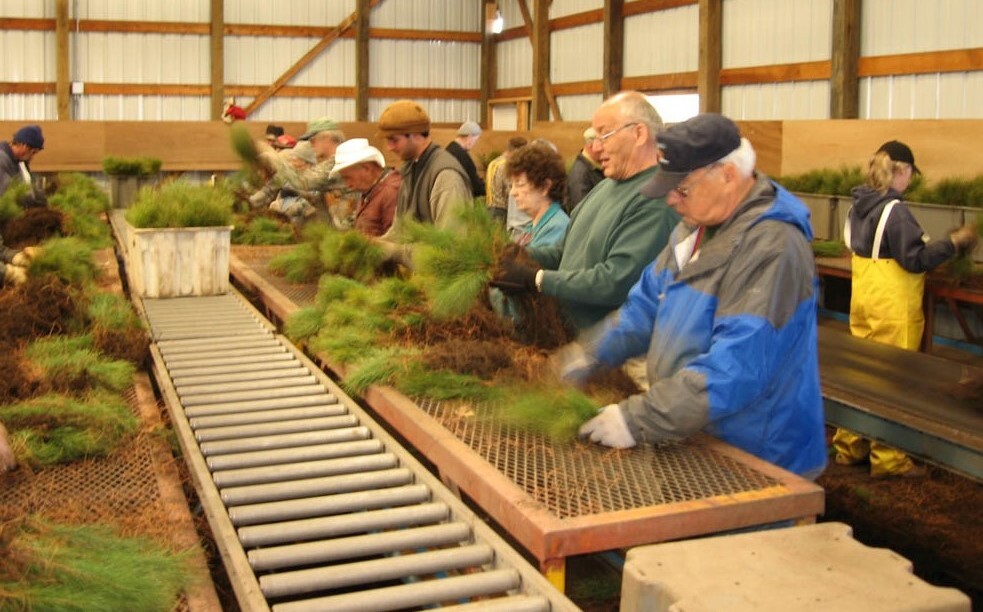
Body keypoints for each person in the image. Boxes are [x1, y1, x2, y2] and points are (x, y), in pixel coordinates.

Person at [561, 113, 827, 479]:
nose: (671, 200)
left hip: (759, 456)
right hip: (697, 436)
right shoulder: (693, 230)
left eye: (682, 189)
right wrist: (589, 354)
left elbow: (736, 368)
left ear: (728, 176)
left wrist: (636, 419)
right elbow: (643, 308)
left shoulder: (774, 247)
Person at [832, 140, 979, 478]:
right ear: (902, 171)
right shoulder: (895, 211)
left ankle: (850, 447)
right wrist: (953, 243)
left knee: (859, 373)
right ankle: (889, 459)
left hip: (864, 299)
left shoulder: (858, 207)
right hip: (892, 305)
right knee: (892, 377)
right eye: (911, 173)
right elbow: (916, 260)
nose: (911, 181)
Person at [491, 91, 679, 331]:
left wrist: (538, 279)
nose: (596, 148)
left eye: (605, 135)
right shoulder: (604, 187)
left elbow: (616, 281)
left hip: (606, 352)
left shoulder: (656, 200)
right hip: (569, 338)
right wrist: (523, 255)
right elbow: (564, 252)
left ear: (639, 133)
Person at [377, 99, 472, 236]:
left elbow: (451, 244)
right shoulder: (410, 169)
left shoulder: (446, 177)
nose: (389, 147)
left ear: (416, 135)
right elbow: (399, 231)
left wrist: (393, 251)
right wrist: (373, 246)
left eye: (394, 140)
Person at [331, 138, 401, 237]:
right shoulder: (369, 190)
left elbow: (396, 240)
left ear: (367, 168)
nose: (347, 185)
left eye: (348, 178)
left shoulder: (391, 191)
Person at [506, 142, 570, 248]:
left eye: (519, 184)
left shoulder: (556, 229)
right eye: (512, 185)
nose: (512, 192)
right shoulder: (532, 226)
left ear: (544, 187)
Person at [268, 141, 319, 224]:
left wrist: (292, 209)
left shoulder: (317, 182)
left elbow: (314, 203)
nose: (291, 163)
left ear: (306, 163)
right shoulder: (290, 181)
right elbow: (280, 196)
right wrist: (277, 204)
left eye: (295, 159)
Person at [485, 136, 528, 224]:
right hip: (501, 211)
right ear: (517, 151)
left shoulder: (493, 163)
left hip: (489, 207)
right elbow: (509, 190)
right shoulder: (507, 165)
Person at [1, 124, 44, 199]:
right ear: (24, 146)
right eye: (33, 152)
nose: (32, 157)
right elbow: (7, 190)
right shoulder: (2, 160)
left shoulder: (20, 163)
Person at [566, 127, 604, 212]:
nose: (604, 150)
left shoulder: (594, 167)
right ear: (590, 145)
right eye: (601, 145)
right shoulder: (579, 174)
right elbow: (581, 210)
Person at [446, 120, 485, 197]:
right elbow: (475, 186)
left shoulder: (449, 149)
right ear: (469, 137)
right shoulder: (462, 156)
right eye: (475, 140)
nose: (475, 144)